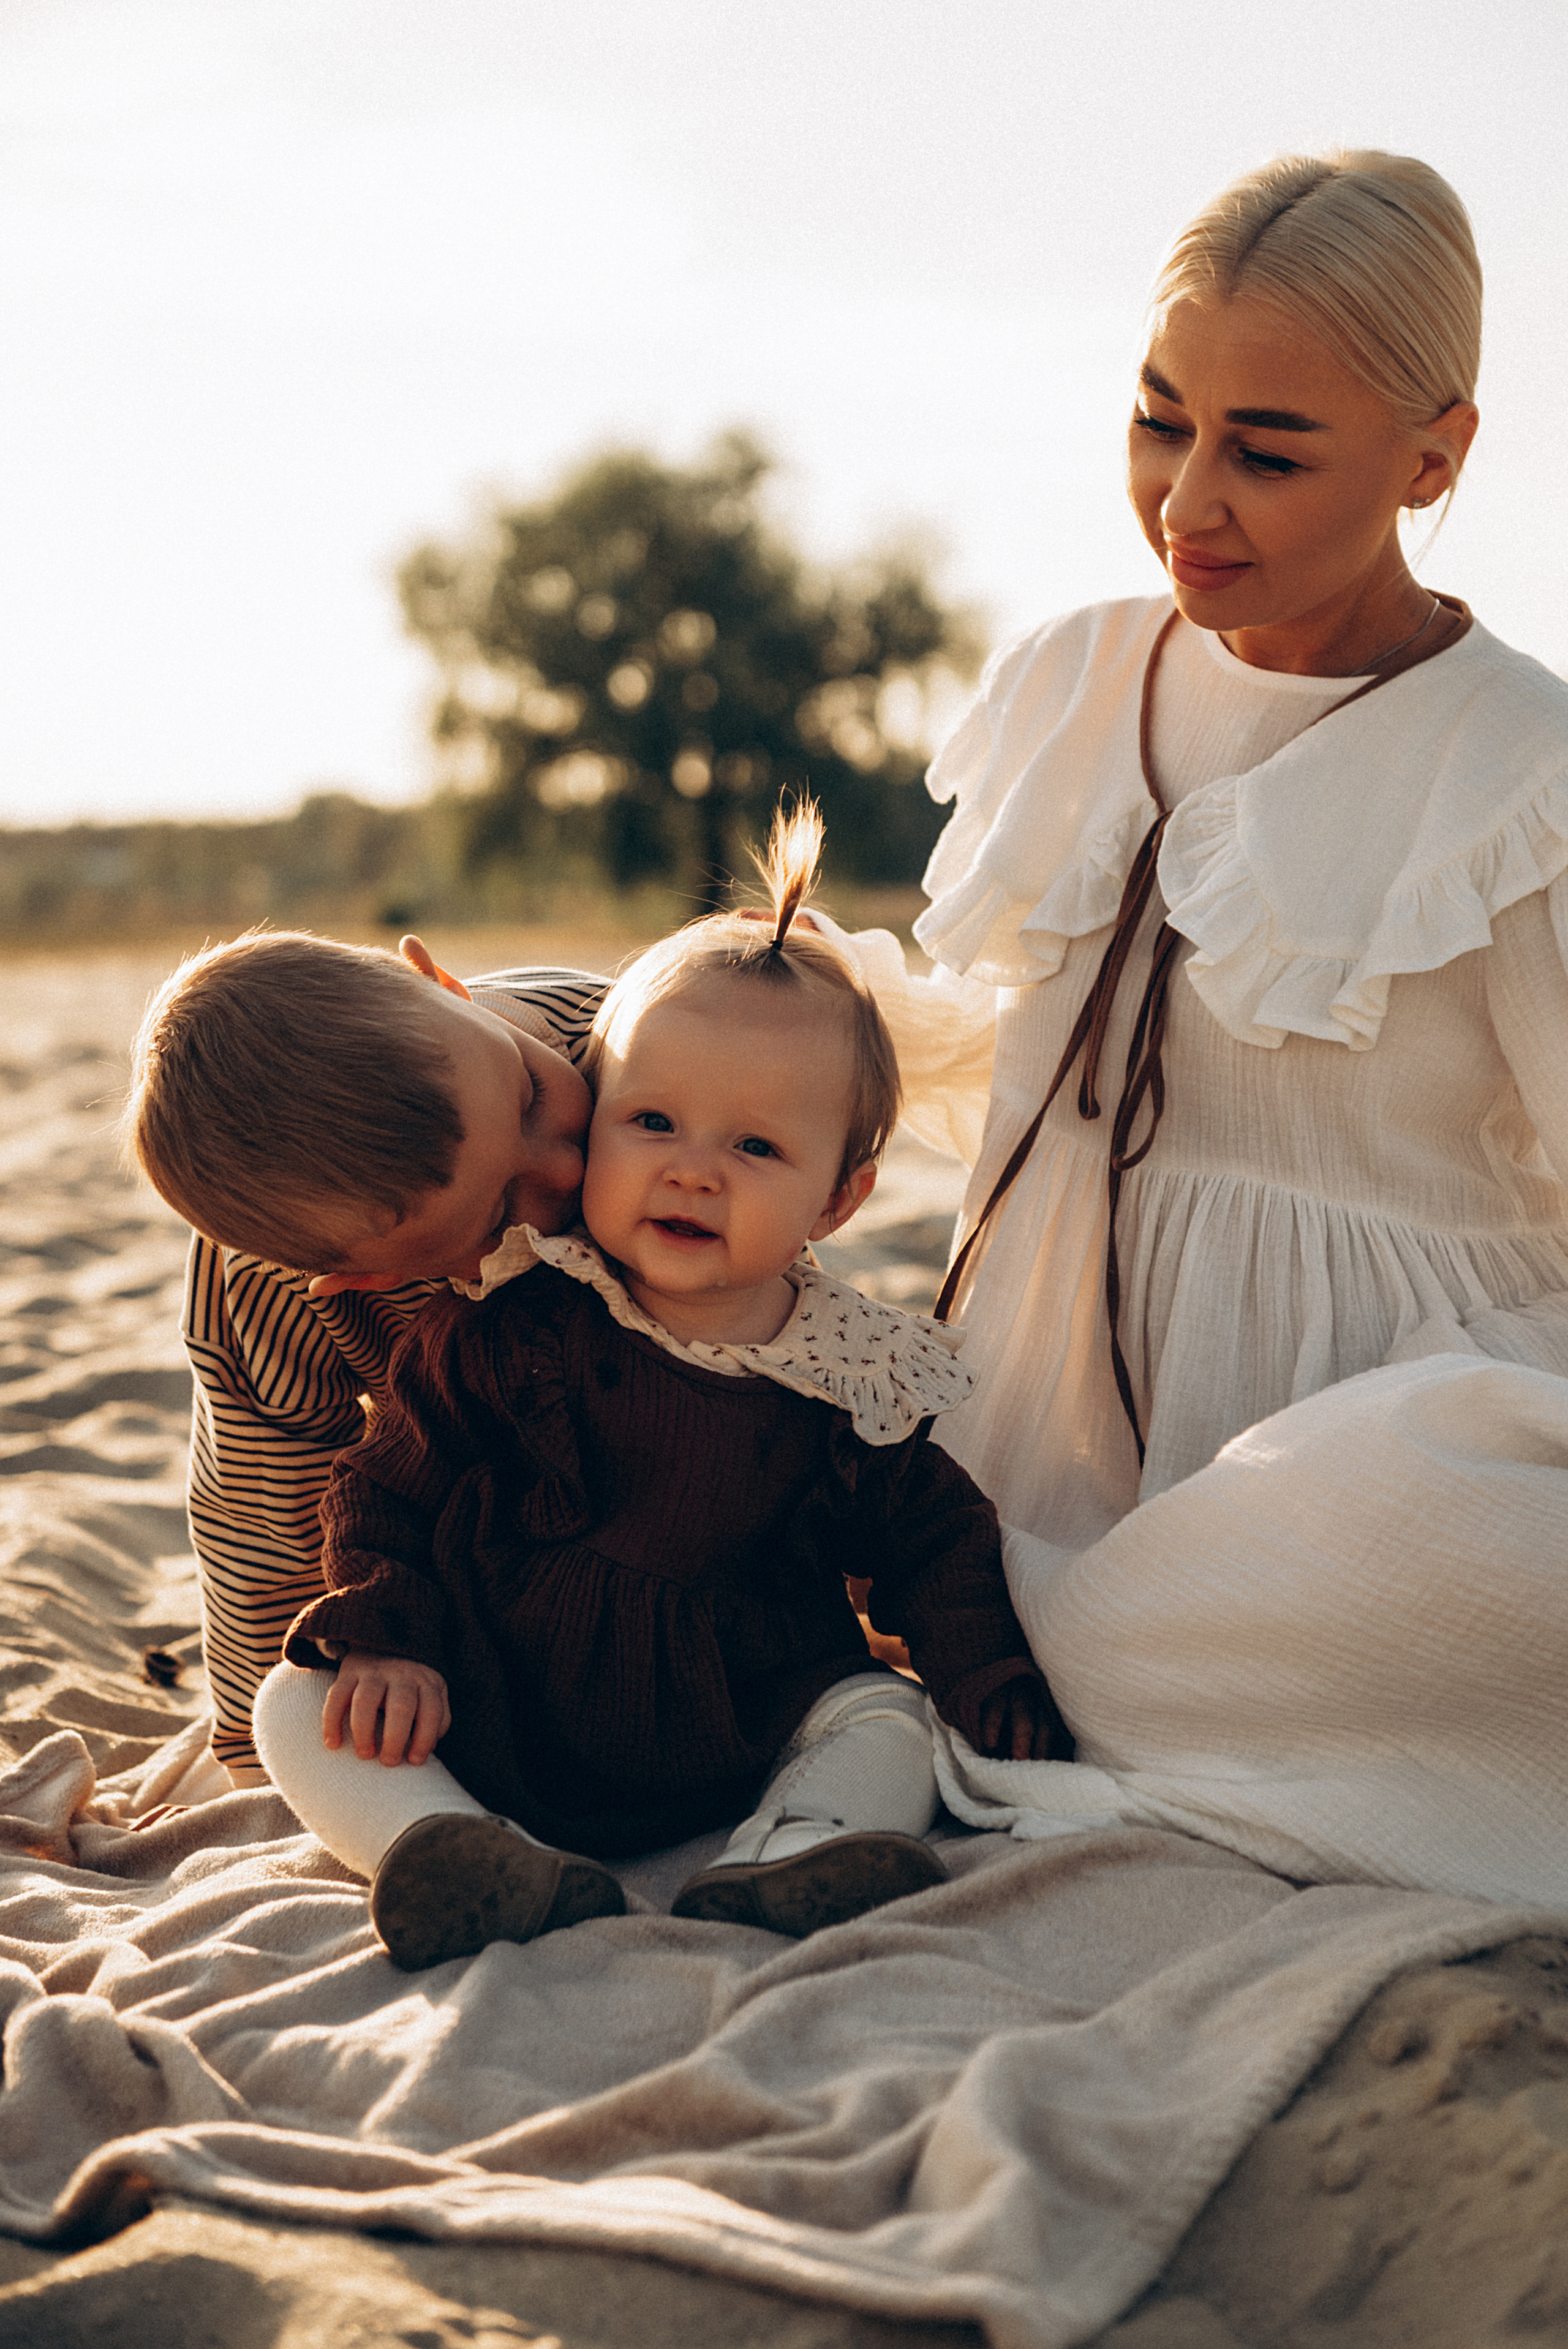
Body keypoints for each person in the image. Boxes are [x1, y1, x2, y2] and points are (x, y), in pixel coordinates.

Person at [824, 148, 1568, 1570]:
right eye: (1160, 422)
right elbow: (957, 1056)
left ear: (1434, 456)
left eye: (1267, 454)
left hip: (1366, 1459)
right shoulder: (1061, 683)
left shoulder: (1520, 773)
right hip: (1024, 1430)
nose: (1183, 501)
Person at [230, 807, 1059, 1966]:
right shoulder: (509, 1321)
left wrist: (987, 1672)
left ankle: (789, 1855)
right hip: (495, 1690)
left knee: (887, 1719)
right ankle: (456, 1849)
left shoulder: (843, 1373)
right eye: (652, 1121)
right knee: (298, 1704)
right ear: (603, 1108)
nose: (691, 1168)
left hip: (741, 1699)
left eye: (756, 1149)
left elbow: (934, 1538)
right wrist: (384, 1643)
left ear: (839, 1202)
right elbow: (384, 1487)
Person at [128, 932, 606, 1782]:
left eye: (533, 1097)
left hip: (687, 1458)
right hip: (481, 1496)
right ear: (361, 1275)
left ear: (444, 983)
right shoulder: (262, 1277)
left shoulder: (631, 1040)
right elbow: (262, 1501)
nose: (565, 1166)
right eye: (502, 1206)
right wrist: (247, 1749)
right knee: (311, 1712)